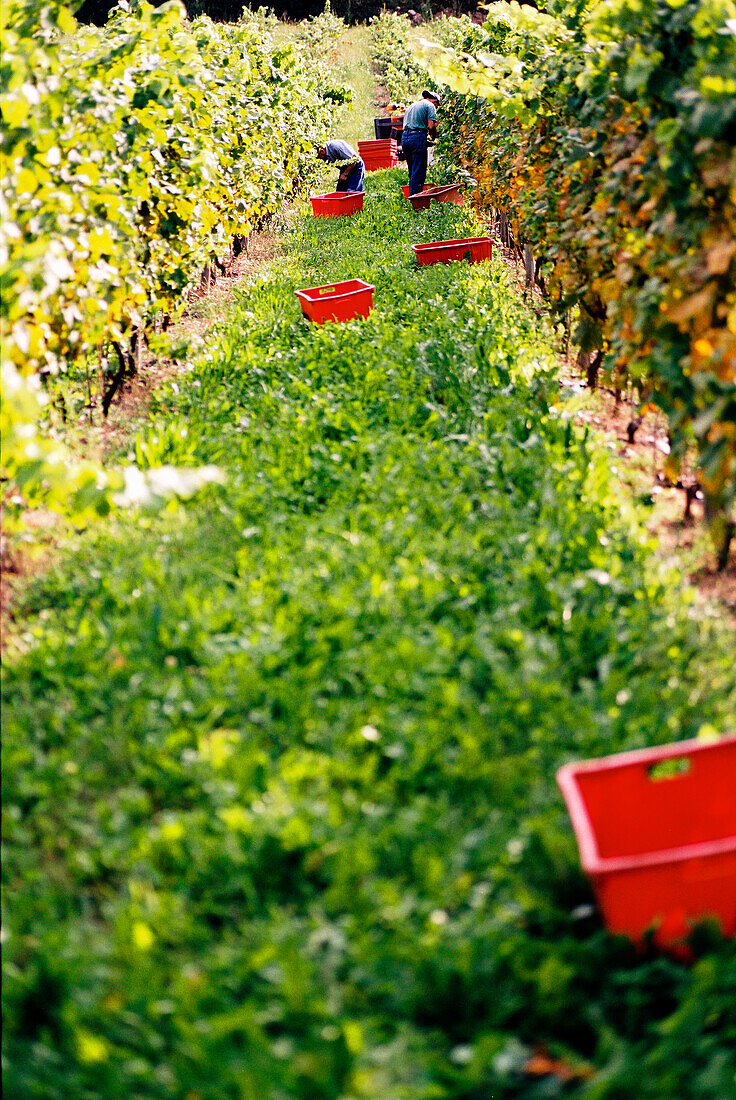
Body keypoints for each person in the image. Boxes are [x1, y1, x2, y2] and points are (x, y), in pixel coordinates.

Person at [401, 89, 440, 197]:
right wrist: (432, 136)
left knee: (412, 170)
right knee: (419, 171)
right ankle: (416, 200)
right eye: (437, 106)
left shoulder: (413, 105)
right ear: (435, 101)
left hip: (405, 137)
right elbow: (431, 126)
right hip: (417, 137)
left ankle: (411, 195)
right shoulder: (430, 106)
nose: (436, 108)